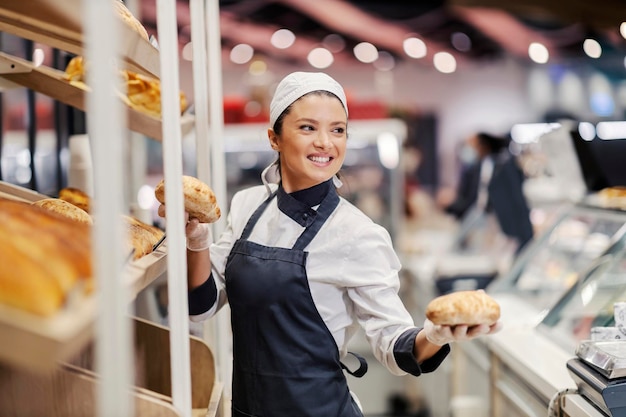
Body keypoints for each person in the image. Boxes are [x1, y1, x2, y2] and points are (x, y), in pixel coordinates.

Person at [158, 72, 501, 417]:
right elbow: (199, 306)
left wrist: (437, 335)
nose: (326, 142)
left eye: (337, 130)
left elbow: (393, 343)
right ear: (274, 138)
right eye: (308, 128)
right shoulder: (247, 206)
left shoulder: (357, 233)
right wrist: (197, 241)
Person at [442, 132, 534, 253]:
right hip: (487, 230)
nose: (469, 149)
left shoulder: (502, 169)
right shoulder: (481, 168)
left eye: (472, 145)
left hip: (507, 234)